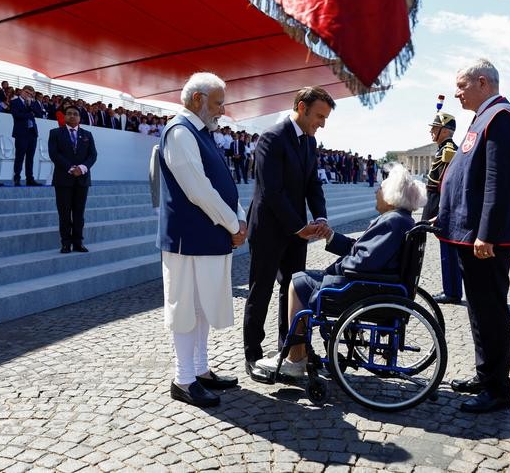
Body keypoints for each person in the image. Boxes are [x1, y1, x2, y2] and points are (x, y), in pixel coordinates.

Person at [256, 164, 425, 376]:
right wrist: (330, 236)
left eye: (380, 188)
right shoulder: (400, 220)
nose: (376, 191)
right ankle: (299, 351)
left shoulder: (392, 222)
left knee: (298, 282)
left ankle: (296, 358)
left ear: (392, 197)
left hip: (364, 286)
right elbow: (363, 250)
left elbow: (362, 261)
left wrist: (334, 269)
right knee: (303, 278)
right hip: (379, 284)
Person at [435, 59, 510, 413]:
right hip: (472, 234)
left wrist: (487, 234)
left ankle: (497, 389)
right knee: (479, 310)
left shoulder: (502, 116)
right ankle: (485, 375)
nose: (457, 93)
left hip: (485, 239)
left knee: (490, 311)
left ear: (482, 82)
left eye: (461, 86)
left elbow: (498, 180)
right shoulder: (484, 116)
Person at [156, 72, 244, 408]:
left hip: (208, 235)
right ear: (198, 99)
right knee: (185, 308)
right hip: (188, 238)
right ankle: (184, 378)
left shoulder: (201, 132)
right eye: (219, 103)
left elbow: (222, 183)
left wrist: (238, 218)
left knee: (203, 306)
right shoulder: (180, 131)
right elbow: (198, 190)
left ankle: (201, 369)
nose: (223, 110)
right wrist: (233, 223)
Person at [243, 86, 335, 383]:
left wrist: (320, 217)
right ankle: (253, 355)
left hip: (297, 230)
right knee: (261, 290)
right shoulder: (272, 138)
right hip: (270, 228)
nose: (322, 124)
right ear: (301, 107)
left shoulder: (309, 141)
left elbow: (312, 184)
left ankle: (291, 351)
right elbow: (272, 191)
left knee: (294, 289)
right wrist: (299, 226)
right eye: (319, 116)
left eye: (325, 118)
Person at [422, 111, 464, 305]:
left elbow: (447, 185)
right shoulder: (443, 150)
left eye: (435, 128)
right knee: (446, 248)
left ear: (445, 131)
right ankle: (451, 289)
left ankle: (452, 292)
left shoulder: (448, 150)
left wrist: (441, 211)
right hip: (440, 206)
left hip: (444, 208)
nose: (431, 131)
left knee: (449, 250)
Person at [48, 105, 97, 253]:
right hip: (63, 179)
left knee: (79, 213)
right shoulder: (55, 133)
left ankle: (78, 243)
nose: (72, 116)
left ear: (80, 118)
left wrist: (81, 168)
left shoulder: (87, 134)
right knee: (64, 213)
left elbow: (93, 155)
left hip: (82, 179)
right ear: (64, 116)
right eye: (69, 113)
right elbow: (54, 154)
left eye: (75, 114)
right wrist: (70, 168)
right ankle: (65, 243)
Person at [10, 85, 44, 186]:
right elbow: (16, 115)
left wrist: (30, 105)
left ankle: (30, 178)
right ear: (21, 91)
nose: (28, 95)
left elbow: (39, 114)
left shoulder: (32, 103)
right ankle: (17, 178)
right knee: (20, 156)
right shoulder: (15, 102)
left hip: (32, 132)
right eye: (26, 92)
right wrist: (29, 114)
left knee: (30, 157)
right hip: (21, 133)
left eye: (30, 94)